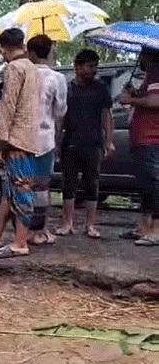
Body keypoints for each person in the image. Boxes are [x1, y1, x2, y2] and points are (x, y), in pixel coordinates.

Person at [0, 28, 40, 258]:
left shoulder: (14, 68)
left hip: (16, 140)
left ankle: (20, 242)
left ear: (4, 48)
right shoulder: (32, 68)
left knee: (21, 190)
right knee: (9, 191)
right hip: (28, 136)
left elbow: (8, 108)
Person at [55, 49, 114, 239]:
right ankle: (67, 223)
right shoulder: (68, 88)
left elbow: (107, 116)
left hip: (93, 143)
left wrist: (109, 141)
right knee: (69, 183)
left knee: (92, 183)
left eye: (95, 66)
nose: (93, 70)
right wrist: (56, 142)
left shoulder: (101, 88)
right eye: (90, 66)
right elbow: (60, 117)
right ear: (77, 67)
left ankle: (90, 225)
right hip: (71, 142)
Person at [26, 35, 68, 246]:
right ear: (49, 51)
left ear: (31, 53)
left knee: (22, 185)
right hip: (44, 140)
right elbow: (60, 111)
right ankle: (39, 231)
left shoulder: (22, 75)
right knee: (42, 187)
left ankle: (23, 230)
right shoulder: (57, 78)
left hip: (22, 139)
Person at [118, 48, 159, 246]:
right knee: (145, 185)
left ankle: (156, 229)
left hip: (152, 137)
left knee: (154, 183)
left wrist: (131, 100)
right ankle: (144, 226)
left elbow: (155, 101)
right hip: (141, 138)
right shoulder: (149, 77)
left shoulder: (157, 74)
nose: (139, 58)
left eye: (142, 54)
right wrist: (135, 93)